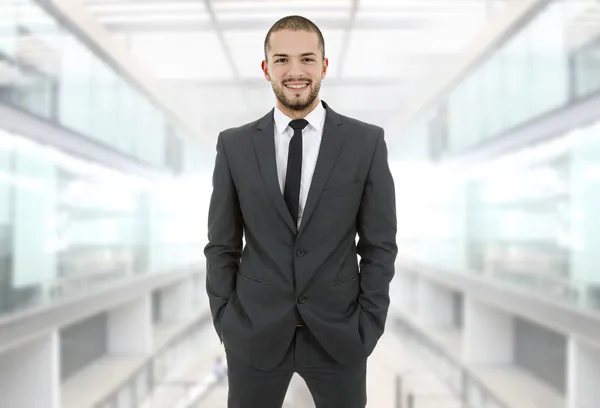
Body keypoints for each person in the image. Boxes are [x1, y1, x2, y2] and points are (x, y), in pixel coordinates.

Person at [204, 15, 398, 408]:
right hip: (253, 332)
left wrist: (369, 324)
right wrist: (226, 320)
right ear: (266, 68)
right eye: (282, 60)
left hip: (339, 334)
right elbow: (221, 245)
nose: (295, 72)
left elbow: (379, 245)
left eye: (308, 59)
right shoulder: (235, 146)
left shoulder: (366, 142)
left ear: (324, 66)